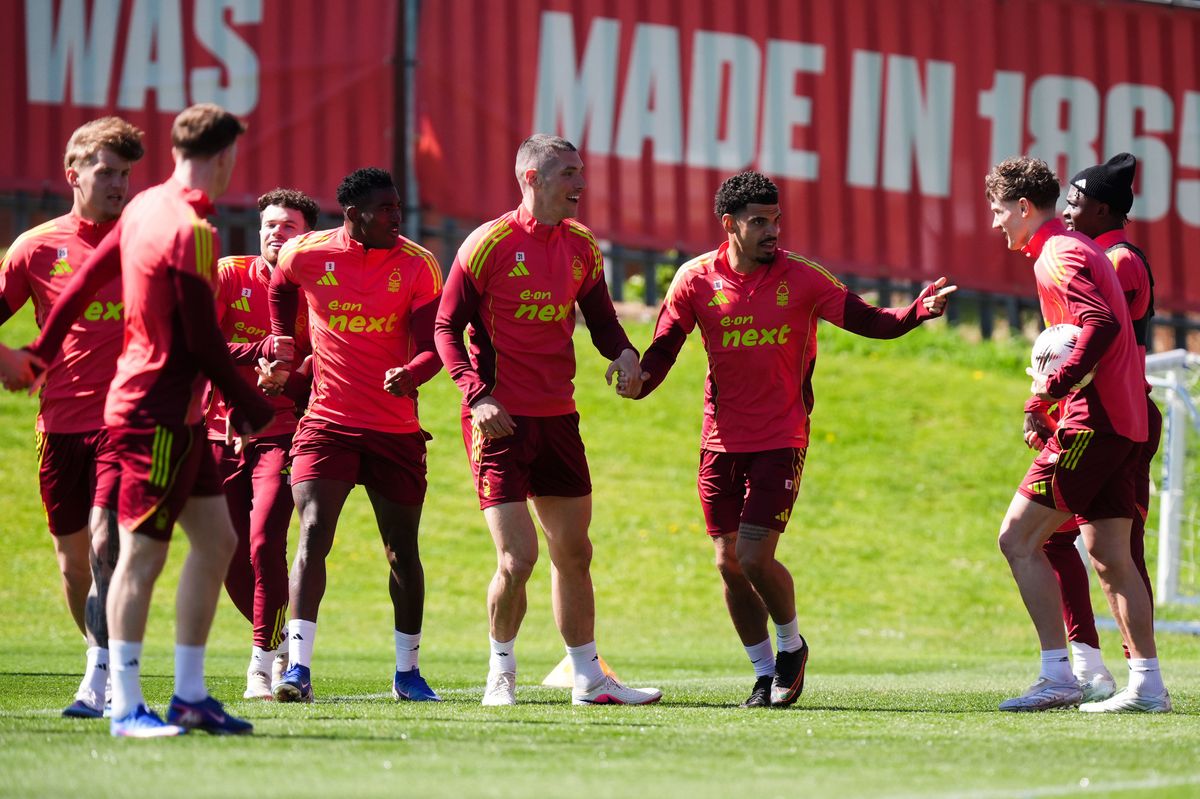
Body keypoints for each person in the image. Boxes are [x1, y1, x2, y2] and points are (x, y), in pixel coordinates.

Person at [620, 171, 955, 707]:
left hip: (782, 436)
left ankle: (791, 647)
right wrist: (639, 382)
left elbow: (871, 321)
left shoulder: (803, 278)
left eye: (776, 220)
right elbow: (664, 347)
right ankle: (763, 671)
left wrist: (916, 313)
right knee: (727, 562)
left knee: (754, 556)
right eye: (759, 222)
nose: (772, 230)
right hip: (719, 440)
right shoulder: (694, 279)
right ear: (728, 225)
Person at [20, 103, 277, 736]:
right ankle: (126, 704)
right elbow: (200, 340)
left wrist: (37, 354)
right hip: (155, 414)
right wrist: (249, 406)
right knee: (136, 558)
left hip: (173, 414)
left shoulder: (144, 209)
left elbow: (80, 285)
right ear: (223, 157)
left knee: (217, 543)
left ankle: (189, 696)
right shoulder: (192, 227)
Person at [434, 134, 661, 707]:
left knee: (574, 552)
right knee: (518, 558)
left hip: (558, 417)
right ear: (531, 178)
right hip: (500, 421)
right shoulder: (487, 245)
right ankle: (500, 673)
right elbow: (444, 328)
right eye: (567, 173)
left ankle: (588, 676)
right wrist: (477, 396)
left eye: (581, 171)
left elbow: (603, 321)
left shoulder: (582, 245)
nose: (580, 183)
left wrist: (626, 354)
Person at [985, 156, 1168, 713]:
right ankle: (1148, 687)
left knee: (1018, 539)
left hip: (1096, 420)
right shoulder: (1080, 249)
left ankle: (1059, 675)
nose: (995, 224)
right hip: (1124, 420)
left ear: (1021, 207)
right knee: (1111, 554)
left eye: (998, 211)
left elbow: (1101, 325)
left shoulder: (1058, 254)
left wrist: (1046, 392)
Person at [266, 168, 443, 704]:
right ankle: (297, 669)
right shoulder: (307, 253)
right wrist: (280, 334)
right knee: (313, 533)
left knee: (401, 552)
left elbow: (435, 344)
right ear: (354, 214)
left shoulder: (417, 264)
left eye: (397, 206)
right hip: (327, 424)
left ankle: (408, 673)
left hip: (395, 430)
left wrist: (412, 372)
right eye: (386, 208)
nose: (398, 216)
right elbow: (280, 282)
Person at [0, 116, 144, 718]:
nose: (117, 184)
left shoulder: (148, 241)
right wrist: (9, 360)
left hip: (127, 422)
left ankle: (98, 679)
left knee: (108, 540)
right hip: (59, 425)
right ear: (73, 174)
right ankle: (101, 661)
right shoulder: (35, 247)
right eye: (106, 172)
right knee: (73, 558)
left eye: (126, 174)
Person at [207, 188, 319, 699]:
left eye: (289, 226)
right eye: (270, 224)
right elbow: (199, 341)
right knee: (225, 555)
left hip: (281, 433)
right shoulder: (229, 273)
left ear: (307, 236)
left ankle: (261, 663)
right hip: (218, 431)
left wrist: (286, 380)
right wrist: (259, 353)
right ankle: (269, 642)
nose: (277, 232)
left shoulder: (318, 287)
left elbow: (325, 362)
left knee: (262, 543)